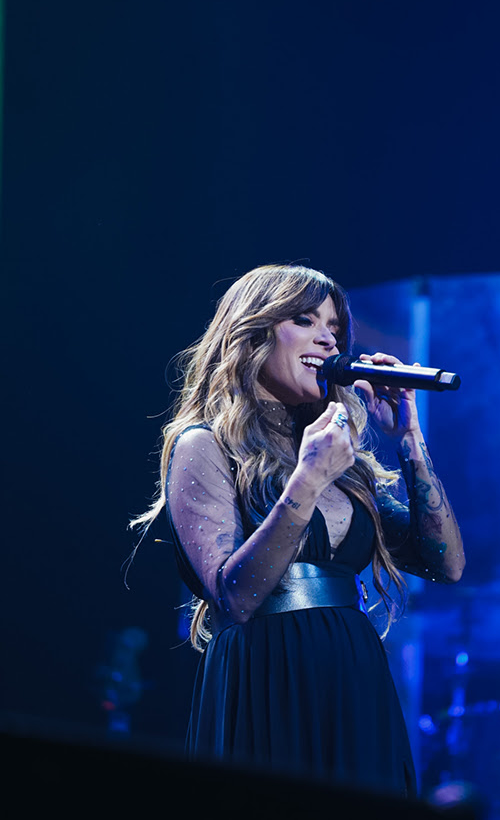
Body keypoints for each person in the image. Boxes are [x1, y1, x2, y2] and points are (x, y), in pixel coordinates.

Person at [133, 264, 464, 796]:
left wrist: (408, 438)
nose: (328, 339)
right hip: (264, 678)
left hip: (354, 678)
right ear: (253, 333)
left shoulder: (344, 463)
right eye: (305, 320)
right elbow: (236, 597)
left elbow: (445, 564)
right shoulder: (205, 445)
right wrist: (307, 480)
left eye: (334, 327)